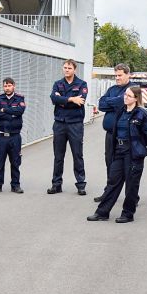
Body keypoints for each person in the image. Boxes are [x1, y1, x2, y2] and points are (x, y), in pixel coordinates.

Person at [87, 86, 147, 223]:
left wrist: (138, 145)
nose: (125, 98)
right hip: (119, 150)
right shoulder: (120, 111)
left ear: (136, 98)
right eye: (125, 95)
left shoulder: (142, 114)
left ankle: (128, 214)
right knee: (113, 181)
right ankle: (102, 212)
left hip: (133, 153)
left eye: (129, 96)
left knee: (131, 185)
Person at [48, 59, 89, 196]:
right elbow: (54, 99)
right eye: (65, 67)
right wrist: (71, 99)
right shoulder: (57, 84)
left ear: (74, 70)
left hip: (75, 124)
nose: (66, 70)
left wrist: (62, 100)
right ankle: (56, 184)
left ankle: (81, 185)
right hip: (59, 123)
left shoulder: (82, 84)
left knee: (77, 155)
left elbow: (81, 101)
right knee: (58, 156)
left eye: (69, 68)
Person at [95, 63, 132, 202]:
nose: (117, 78)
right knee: (109, 162)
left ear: (128, 74)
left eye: (120, 75)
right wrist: (115, 102)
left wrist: (112, 102)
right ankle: (108, 193)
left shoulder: (132, 89)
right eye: (115, 75)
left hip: (126, 135)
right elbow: (101, 104)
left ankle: (131, 196)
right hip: (110, 134)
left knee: (128, 166)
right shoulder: (112, 89)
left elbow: (124, 102)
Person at [0, 77, 25, 194]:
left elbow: (20, 111)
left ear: (13, 86)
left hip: (15, 136)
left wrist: (4, 110)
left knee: (15, 161)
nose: (7, 88)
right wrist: (11, 113)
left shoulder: (20, 98)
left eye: (9, 86)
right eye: (5, 86)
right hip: (1, 136)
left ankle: (15, 185)